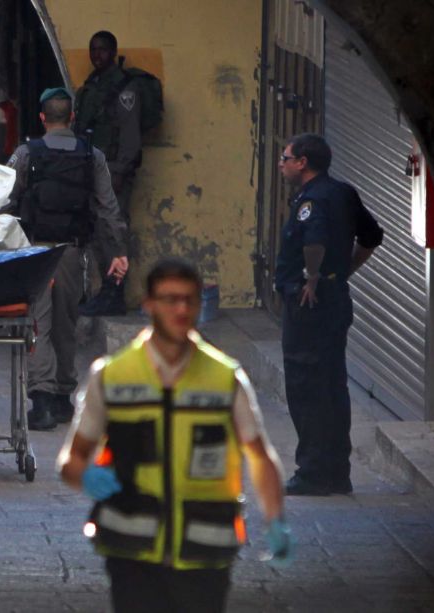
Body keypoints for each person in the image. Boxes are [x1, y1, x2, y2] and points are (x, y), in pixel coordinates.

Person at [58, 258, 292, 612]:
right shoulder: (112, 377)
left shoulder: (225, 379)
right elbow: (71, 460)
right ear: (149, 305)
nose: (180, 309)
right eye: (170, 299)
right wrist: (85, 476)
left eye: (189, 299)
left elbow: (259, 455)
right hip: (131, 550)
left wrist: (275, 519)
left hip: (205, 551)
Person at [6, 87, 128, 430]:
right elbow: (108, 210)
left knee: (37, 323)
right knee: (65, 322)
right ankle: (62, 398)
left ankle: (42, 400)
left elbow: (4, 199)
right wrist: (117, 252)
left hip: (34, 252)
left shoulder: (26, 153)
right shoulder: (93, 156)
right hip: (73, 252)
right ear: (72, 118)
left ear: (43, 118)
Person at [274, 133, 383, 496]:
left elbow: (314, 241)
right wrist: (343, 273)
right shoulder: (343, 192)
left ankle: (315, 473)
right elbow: (372, 236)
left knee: (308, 386)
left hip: (311, 305)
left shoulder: (312, 200)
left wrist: (313, 279)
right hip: (335, 298)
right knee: (333, 384)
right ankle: (337, 470)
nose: (282, 163)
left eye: (285, 157)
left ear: (302, 162)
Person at [75, 31, 144, 316]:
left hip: (113, 171)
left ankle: (114, 291)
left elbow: (130, 135)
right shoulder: (93, 85)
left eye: (102, 50)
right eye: (93, 50)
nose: (96, 55)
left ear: (113, 52)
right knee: (97, 233)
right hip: (94, 170)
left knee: (114, 231)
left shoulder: (124, 89)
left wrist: (120, 169)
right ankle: (104, 289)